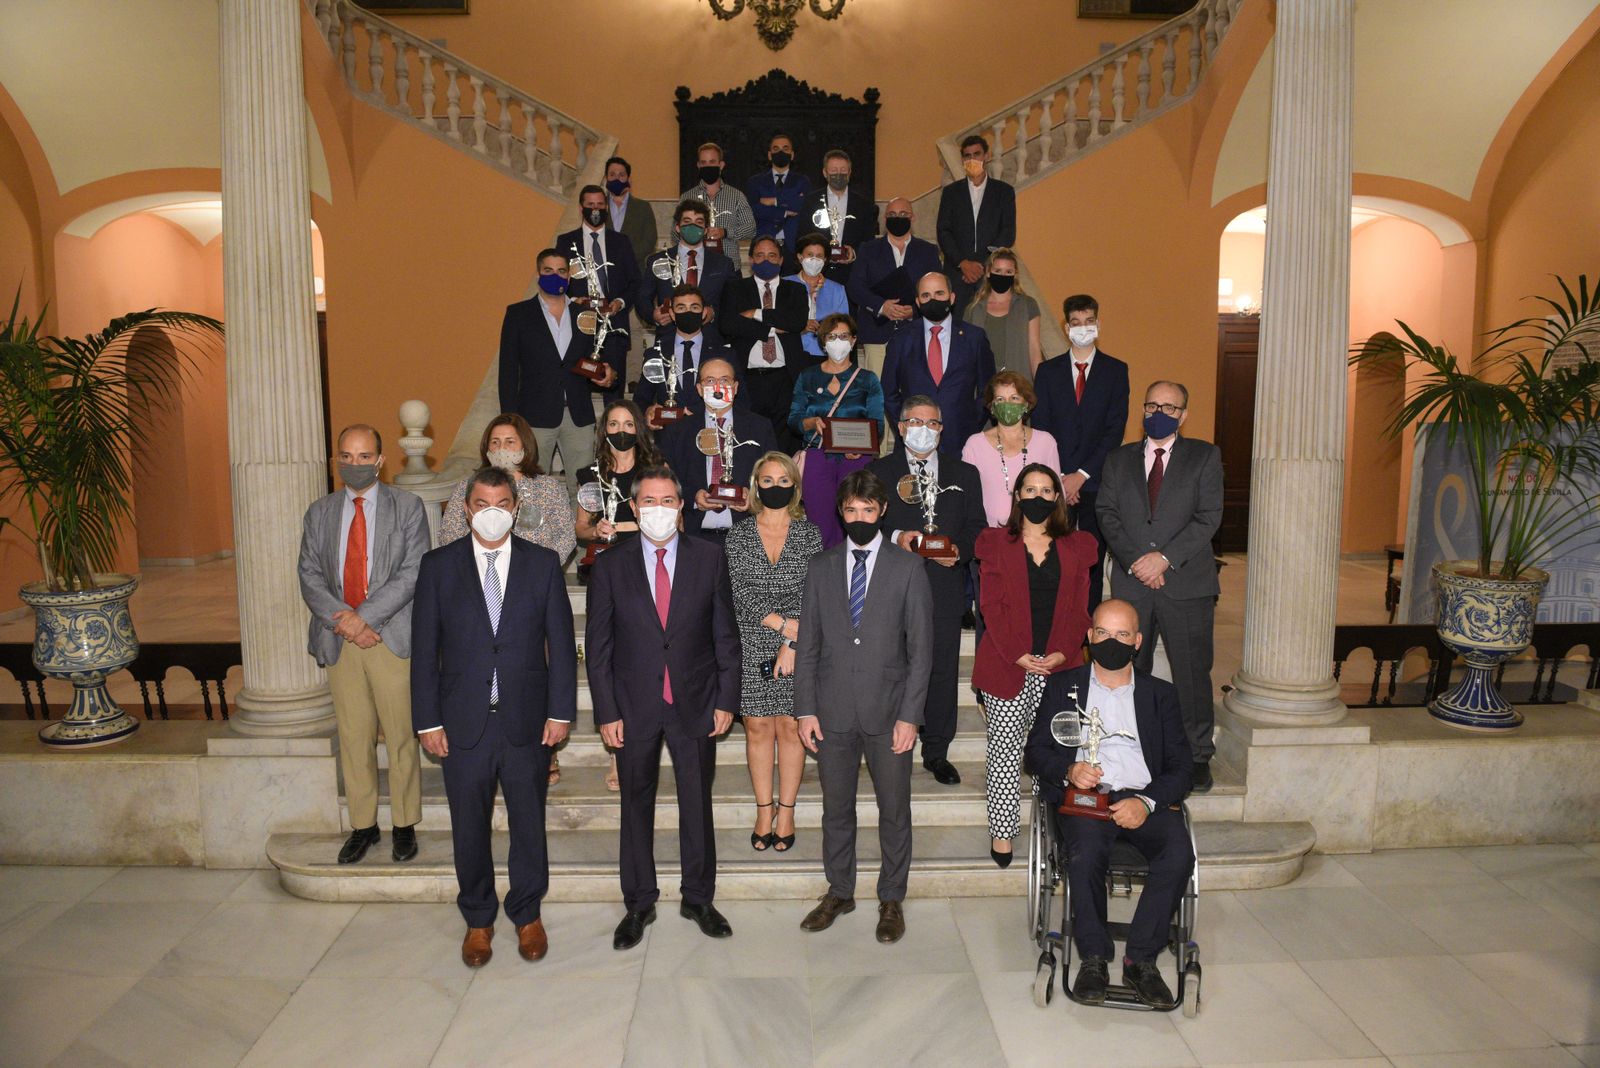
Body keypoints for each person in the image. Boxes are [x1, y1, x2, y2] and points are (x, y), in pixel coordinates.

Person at [411, 466, 577, 968]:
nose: (491, 513)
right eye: (481, 503)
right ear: (465, 509)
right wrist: (427, 720)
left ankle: (527, 913)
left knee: (529, 823)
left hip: (526, 719)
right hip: (462, 721)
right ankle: (478, 920)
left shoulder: (543, 564)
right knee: (469, 826)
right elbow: (424, 652)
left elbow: (563, 647)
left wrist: (561, 711)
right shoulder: (437, 567)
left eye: (501, 503)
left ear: (516, 508)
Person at [586, 466, 741, 950]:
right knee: (636, 805)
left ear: (681, 506)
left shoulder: (709, 558)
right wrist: (606, 711)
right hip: (633, 705)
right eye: (648, 501)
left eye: (668, 500)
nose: (658, 508)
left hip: (694, 701)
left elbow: (725, 636)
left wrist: (726, 699)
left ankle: (698, 897)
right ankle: (639, 902)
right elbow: (599, 647)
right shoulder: (610, 565)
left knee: (697, 803)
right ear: (634, 508)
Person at [1024, 598, 1195, 1009]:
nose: (1111, 641)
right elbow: (1035, 754)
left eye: (1122, 635)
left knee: (1177, 855)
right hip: (1087, 799)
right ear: (1089, 636)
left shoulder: (1161, 695)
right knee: (1082, 856)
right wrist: (1069, 769)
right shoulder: (1063, 687)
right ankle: (1095, 959)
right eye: (1103, 632)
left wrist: (1149, 801)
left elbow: (1182, 767)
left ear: (1138, 641)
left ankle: (1142, 961)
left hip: (1142, 797)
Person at [794, 470, 932, 944]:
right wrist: (805, 709)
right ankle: (840, 890)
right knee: (837, 808)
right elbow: (807, 645)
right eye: (850, 510)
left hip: (889, 710)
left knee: (894, 809)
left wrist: (910, 715)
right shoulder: (820, 567)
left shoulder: (908, 568)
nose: (858, 518)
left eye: (867, 511)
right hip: (831, 711)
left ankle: (891, 897)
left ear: (882, 512)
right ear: (840, 511)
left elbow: (921, 651)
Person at [297, 424, 430, 865]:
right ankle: (363, 825)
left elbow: (412, 572)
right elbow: (309, 575)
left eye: (363, 456)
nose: (354, 464)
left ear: (380, 460)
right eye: (346, 456)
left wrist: (365, 618)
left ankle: (405, 824)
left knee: (400, 736)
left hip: (389, 636)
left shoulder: (407, 507)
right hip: (342, 640)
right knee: (353, 737)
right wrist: (347, 623)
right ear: (338, 460)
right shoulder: (319, 512)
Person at [1096, 380, 1223, 792]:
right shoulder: (1118, 460)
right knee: (1131, 672)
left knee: (1190, 673)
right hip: (1133, 585)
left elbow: (1208, 517)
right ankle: (1141, 749)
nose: (1159, 412)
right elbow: (1107, 513)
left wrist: (1164, 558)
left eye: (1169, 407)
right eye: (1152, 405)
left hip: (1185, 584)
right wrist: (1137, 560)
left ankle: (1198, 753)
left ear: (1183, 415)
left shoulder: (1204, 456)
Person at [973, 464, 1098, 866]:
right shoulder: (995, 542)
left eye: (1047, 490)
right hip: (1007, 664)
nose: (1039, 497)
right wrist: (1017, 654)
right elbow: (989, 606)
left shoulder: (1078, 546)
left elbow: (1082, 609)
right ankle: (1003, 833)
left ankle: (1065, 832)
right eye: (1030, 489)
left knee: (1061, 754)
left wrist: (1064, 650)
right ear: (1017, 496)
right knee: (1006, 754)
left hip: (1061, 666)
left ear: (1058, 498)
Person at [867, 396, 984, 786]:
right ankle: (890, 746)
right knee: (891, 669)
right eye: (915, 422)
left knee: (941, 669)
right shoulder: (878, 472)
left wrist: (958, 552)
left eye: (932, 423)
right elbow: (863, 524)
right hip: (893, 585)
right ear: (900, 428)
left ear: (942, 429)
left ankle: (937, 751)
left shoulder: (964, 473)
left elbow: (976, 528)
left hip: (944, 586)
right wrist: (899, 536)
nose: (923, 429)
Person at [724, 452, 824, 852]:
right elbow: (739, 592)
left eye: (784, 481)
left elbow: (814, 593)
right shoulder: (739, 535)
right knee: (758, 727)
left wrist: (792, 641)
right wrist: (781, 627)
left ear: (796, 487)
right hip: (751, 640)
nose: (776, 487)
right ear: (755, 486)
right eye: (768, 480)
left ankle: (787, 810)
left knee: (790, 726)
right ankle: (764, 809)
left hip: (800, 644)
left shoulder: (809, 534)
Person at [574, 400, 664, 793]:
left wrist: (625, 524)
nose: (621, 429)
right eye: (613, 423)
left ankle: (651, 740)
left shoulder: (655, 473)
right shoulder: (588, 475)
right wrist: (598, 531)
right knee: (608, 656)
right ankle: (616, 753)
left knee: (644, 656)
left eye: (628, 422)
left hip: (647, 568)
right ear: (603, 429)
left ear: (639, 429)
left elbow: (669, 520)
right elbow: (581, 528)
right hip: (605, 569)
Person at [1032, 294, 1129, 611]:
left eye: (1088, 321)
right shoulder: (1048, 372)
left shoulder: (1116, 371)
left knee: (1091, 560)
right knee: (1050, 557)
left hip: (1096, 482)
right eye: (1076, 323)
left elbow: (1114, 430)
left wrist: (1081, 475)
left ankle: (1086, 630)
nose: (1082, 328)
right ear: (1065, 326)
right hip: (1055, 483)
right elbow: (1043, 428)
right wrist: (1062, 478)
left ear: (1098, 324)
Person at [498, 248, 615, 496]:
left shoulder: (585, 315)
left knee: (584, 488)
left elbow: (594, 359)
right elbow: (507, 371)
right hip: (534, 418)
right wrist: (510, 422)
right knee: (530, 488)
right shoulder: (518, 314)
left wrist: (605, 374)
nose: (555, 276)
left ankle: (579, 535)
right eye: (548, 271)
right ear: (539, 273)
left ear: (569, 276)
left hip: (578, 416)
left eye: (561, 271)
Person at [788, 312, 885, 548]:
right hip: (817, 458)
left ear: (853, 341)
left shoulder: (867, 379)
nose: (837, 341)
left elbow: (877, 424)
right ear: (823, 342)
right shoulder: (807, 376)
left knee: (855, 520)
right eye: (831, 336)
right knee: (819, 524)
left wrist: (860, 448)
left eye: (843, 336)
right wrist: (811, 423)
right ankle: (824, 577)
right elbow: (793, 419)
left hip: (856, 460)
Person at [658, 357, 777, 541]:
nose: (717, 387)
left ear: (735, 387)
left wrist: (753, 497)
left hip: (748, 536)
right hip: (695, 536)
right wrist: (693, 498)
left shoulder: (760, 428)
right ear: (699, 389)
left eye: (724, 380)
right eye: (710, 381)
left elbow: (773, 477)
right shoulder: (678, 432)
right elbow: (667, 482)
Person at [882, 272, 996, 456]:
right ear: (918, 302)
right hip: (912, 443)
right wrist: (908, 426)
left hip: (962, 441)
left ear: (951, 298)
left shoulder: (975, 338)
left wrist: (971, 424)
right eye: (926, 296)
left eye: (939, 294)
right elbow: (888, 391)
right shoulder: (901, 339)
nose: (933, 300)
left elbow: (988, 390)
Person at [438, 413, 576, 560]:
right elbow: (449, 535)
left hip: (534, 573)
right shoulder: (467, 487)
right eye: (495, 442)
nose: (501, 448)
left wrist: (543, 568)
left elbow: (565, 535)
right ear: (487, 448)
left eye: (510, 442)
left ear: (525, 445)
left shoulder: (547, 488)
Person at [720, 235, 811, 453]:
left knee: (785, 441)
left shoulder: (796, 290)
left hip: (785, 376)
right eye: (759, 255)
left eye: (772, 256)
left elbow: (796, 322)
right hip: (748, 376)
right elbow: (728, 324)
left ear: (781, 260)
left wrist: (755, 313)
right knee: (749, 438)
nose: (766, 261)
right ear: (750, 260)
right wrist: (770, 327)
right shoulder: (735, 288)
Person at [846, 196, 942, 381]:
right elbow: (855, 287)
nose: (897, 218)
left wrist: (913, 311)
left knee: (914, 391)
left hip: (916, 334)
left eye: (903, 214)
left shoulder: (928, 251)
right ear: (885, 219)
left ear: (913, 217)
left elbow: (937, 291)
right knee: (879, 395)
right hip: (877, 334)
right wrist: (882, 306)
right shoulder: (868, 249)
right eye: (892, 214)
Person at [559, 184, 640, 402]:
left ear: (606, 207)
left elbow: (634, 282)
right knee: (577, 394)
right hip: (578, 328)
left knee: (614, 396)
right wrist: (575, 301)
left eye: (600, 205)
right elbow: (557, 285)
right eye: (590, 205)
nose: (595, 209)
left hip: (614, 329)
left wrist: (620, 303)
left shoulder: (621, 242)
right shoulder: (565, 242)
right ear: (581, 208)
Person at [962, 371, 1062, 527]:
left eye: (1014, 398)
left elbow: (1057, 493)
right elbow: (965, 498)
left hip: (1037, 533)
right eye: (1000, 399)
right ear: (992, 407)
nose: (1007, 404)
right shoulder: (975, 444)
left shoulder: (1046, 442)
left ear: (1026, 404)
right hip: (987, 535)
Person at [632, 285, 736, 429]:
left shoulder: (724, 355)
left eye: (694, 308)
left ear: (704, 312)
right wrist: (648, 412)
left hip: (712, 436)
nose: (688, 312)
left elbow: (741, 401)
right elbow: (641, 400)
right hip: (668, 438)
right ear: (672, 314)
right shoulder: (655, 354)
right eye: (681, 308)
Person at [937, 135, 1017, 316]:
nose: (972, 159)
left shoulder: (1003, 192)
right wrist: (963, 263)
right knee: (956, 327)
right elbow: (943, 231)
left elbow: (1007, 232)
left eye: (977, 154)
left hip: (990, 273)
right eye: (967, 156)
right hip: (957, 275)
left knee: (990, 328)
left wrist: (981, 264)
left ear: (986, 156)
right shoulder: (951, 193)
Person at [639, 200, 735, 328]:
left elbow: (733, 303)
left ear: (706, 229)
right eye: (687, 222)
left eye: (699, 222)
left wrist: (713, 313)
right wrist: (653, 316)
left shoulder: (723, 264)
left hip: (709, 340)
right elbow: (642, 298)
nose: (693, 226)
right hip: (669, 338)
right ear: (677, 227)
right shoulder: (658, 261)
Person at [800, 148, 879, 286]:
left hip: (852, 275)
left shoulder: (863, 203)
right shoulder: (810, 201)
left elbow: (869, 240)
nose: (839, 174)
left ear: (849, 173)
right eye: (833, 170)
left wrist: (853, 252)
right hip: (818, 273)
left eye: (843, 170)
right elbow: (802, 236)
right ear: (825, 173)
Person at [963, 248, 1041, 379]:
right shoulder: (973, 310)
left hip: (1019, 384)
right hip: (983, 386)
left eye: (1008, 272)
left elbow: (1034, 349)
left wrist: (1041, 385)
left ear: (1015, 274)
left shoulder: (1028, 305)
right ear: (988, 272)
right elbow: (966, 353)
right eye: (997, 271)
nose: (1002, 276)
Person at [679, 142, 755, 273]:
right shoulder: (687, 197)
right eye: (704, 163)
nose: (708, 166)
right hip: (696, 268)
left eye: (712, 162)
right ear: (698, 165)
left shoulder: (736, 196)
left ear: (721, 165)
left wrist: (725, 232)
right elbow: (676, 232)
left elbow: (751, 229)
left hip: (730, 268)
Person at [787, 232, 851, 362]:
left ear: (825, 259)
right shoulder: (784, 285)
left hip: (826, 355)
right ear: (800, 257)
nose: (814, 260)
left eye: (819, 256)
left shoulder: (837, 290)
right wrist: (799, 327)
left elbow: (844, 326)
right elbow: (777, 321)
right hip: (790, 354)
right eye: (809, 255)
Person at [747, 132, 811, 255]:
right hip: (764, 244)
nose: (780, 152)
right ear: (770, 155)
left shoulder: (802, 181)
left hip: (793, 245)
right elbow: (754, 210)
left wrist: (774, 201)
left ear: (792, 155)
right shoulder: (755, 182)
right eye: (776, 149)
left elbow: (803, 205)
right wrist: (785, 211)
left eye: (785, 148)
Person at [604, 155, 657, 266]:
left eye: (621, 175)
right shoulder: (598, 206)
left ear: (629, 179)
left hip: (635, 272)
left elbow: (649, 241)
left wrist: (623, 257)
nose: (616, 178)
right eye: (612, 174)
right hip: (604, 271)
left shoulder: (643, 207)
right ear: (606, 179)